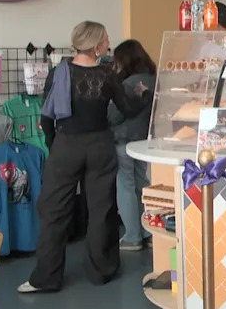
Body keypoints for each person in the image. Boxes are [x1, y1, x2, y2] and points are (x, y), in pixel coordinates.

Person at [19, 22, 151, 293]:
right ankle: (101, 270)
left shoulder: (59, 72)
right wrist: (143, 95)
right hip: (100, 145)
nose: (109, 42)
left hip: (67, 144)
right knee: (102, 209)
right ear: (97, 45)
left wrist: (54, 145)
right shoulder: (107, 75)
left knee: (54, 210)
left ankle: (46, 277)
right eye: (106, 39)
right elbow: (127, 109)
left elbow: (46, 116)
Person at [108, 40, 157, 251]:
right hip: (145, 140)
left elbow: (114, 115)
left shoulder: (127, 84)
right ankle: (149, 231)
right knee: (142, 184)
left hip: (124, 140)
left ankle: (132, 235)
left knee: (125, 185)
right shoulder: (154, 80)